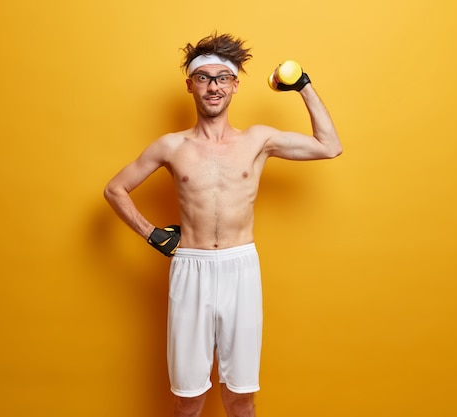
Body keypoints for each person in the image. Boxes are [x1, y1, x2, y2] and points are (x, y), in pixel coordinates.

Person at [104, 33, 342, 417]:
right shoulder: (171, 146)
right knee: (188, 399)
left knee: (241, 398)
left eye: (221, 78)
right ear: (190, 86)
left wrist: (303, 85)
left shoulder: (258, 140)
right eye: (203, 78)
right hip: (190, 268)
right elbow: (115, 190)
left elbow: (329, 145)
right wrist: (151, 234)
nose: (213, 87)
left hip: (241, 268)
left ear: (234, 85)